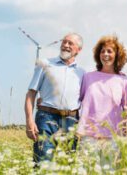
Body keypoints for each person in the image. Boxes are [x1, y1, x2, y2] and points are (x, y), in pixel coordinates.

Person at [24, 33, 85, 163]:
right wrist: (29, 120)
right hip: (46, 118)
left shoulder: (82, 73)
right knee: (42, 163)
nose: (66, 45)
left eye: (70, 43)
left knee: (67, 165)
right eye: (64, 42)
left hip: (71, 121)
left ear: (78, 50)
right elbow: (31, 94)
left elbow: (85, 101)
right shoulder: (44, 64)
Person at [77, 35, 127, 164]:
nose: (105, 54)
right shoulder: (88, 77)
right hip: (89, 134)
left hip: (113, 136)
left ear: (117, 55)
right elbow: (78, 100)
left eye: (109, 51)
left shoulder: (124, 81)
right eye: (102, 51)